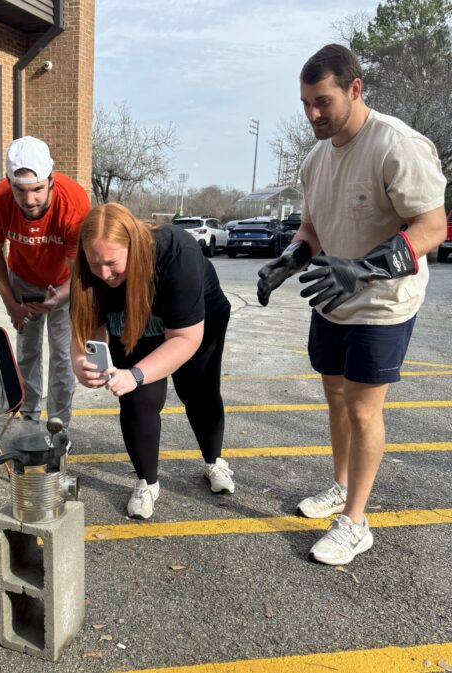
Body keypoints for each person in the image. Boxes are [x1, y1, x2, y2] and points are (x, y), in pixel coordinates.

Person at [257, 44, 447, 565]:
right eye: (305, 104)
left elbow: (432, 227)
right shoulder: (315, 159)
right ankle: (341, 487)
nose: (313, 114)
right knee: (336, 399)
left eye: (323, 101)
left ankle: (356, 523)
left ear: (355, 89)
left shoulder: (397, 146)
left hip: (383, 302)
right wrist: (291, 258)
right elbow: (313, 227)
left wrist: (363, 268)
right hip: (332, 298)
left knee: (364, 410)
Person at [70, 203, 233, 520]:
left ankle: (215, 461)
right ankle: (147, 482)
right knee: (137, 398)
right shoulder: (88, 270)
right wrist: (80, 362)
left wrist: (137, 373)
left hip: (197, 320)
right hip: (135, 318)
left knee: (197, 390)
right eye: (95, 263)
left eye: (112, 263)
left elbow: (185, 339)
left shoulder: (176, 250)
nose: (104, 274)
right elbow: (86, 328)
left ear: (133, 245)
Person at [0, 136, 90, 427]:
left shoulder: (74, 202)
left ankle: (58, 421)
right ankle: (29, 416)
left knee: (63, 355)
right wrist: (12, 305)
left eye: (38, 189)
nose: (29, 200)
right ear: (9, 183)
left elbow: (79, 271)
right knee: (27, 352)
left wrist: (61, 297)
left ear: (51, 180)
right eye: (20, 190)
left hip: (64, 281)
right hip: (23, 279)